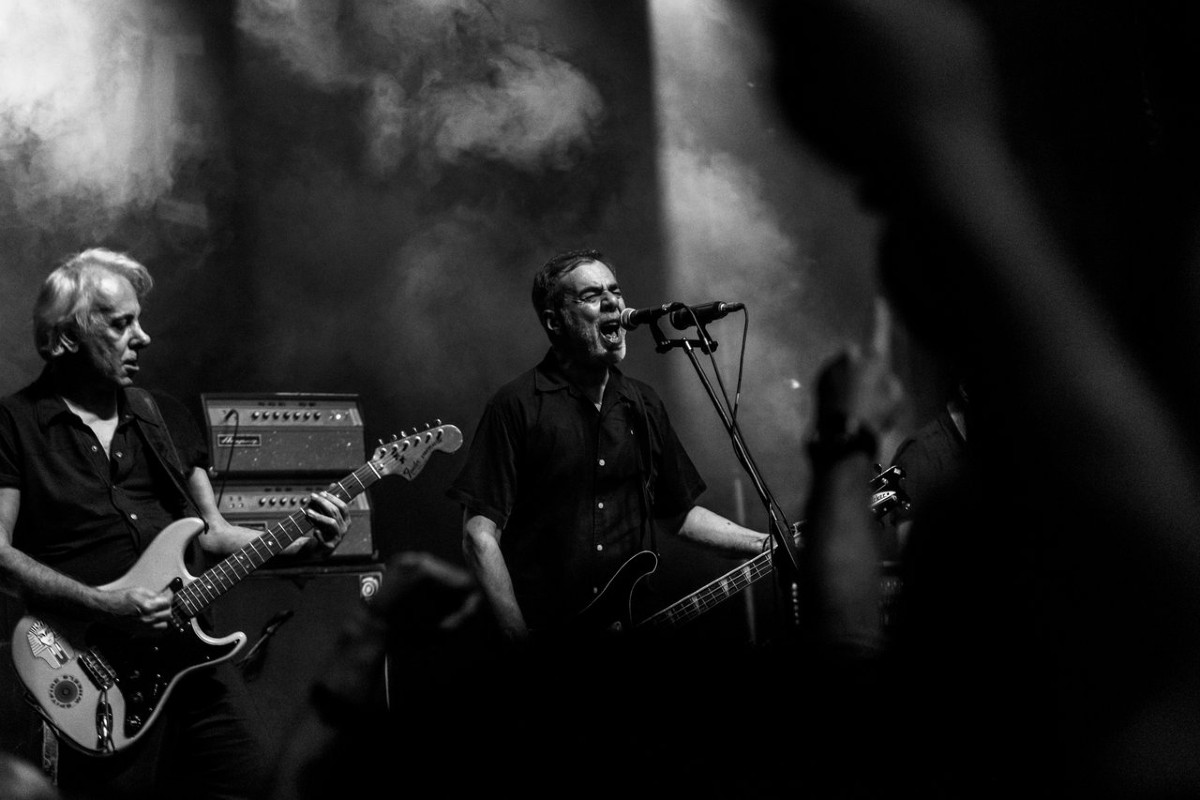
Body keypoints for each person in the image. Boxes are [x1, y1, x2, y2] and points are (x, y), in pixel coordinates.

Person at [0, 248, 351, 800]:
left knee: (253, 781)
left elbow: (210, 531)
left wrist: (302, 546)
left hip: (188, 652)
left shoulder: (159, 414)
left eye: (138, 321)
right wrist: (105, 605)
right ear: (66, 336)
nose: (142, 338)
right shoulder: (13, 425)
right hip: (88, 662)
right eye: (121, 324)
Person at [447, 249, 770, 644]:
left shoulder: (642, 404)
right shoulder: (516, 406)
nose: (612, 302)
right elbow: (479, 536)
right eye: (591, 295)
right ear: (555, 321)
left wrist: (767, 544)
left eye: (614, 291)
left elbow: (678, 514)